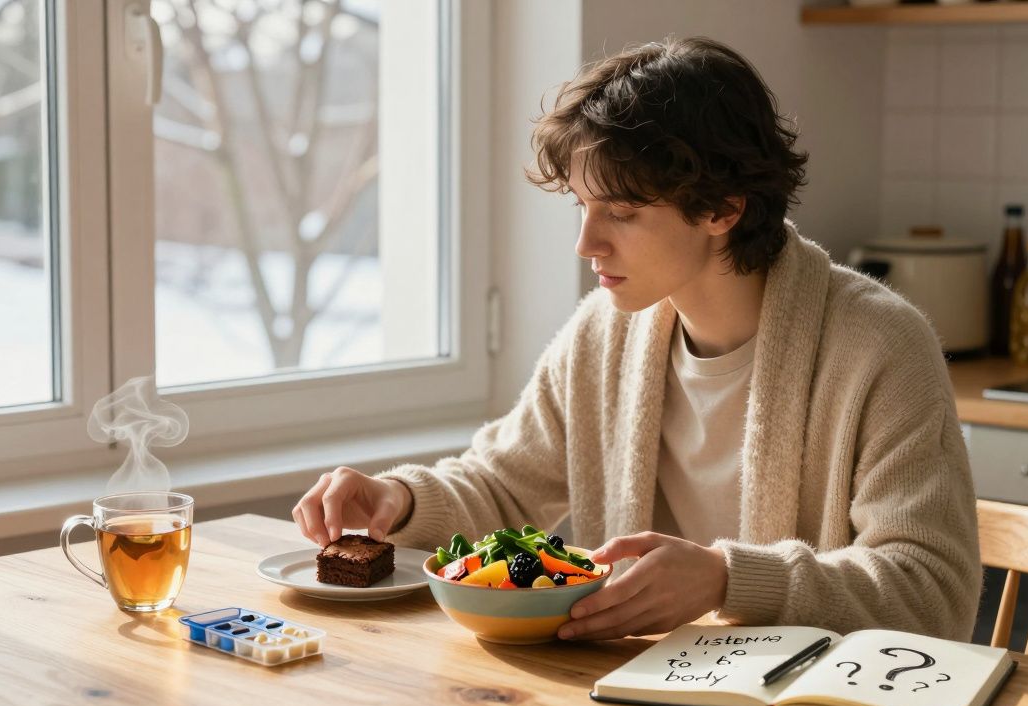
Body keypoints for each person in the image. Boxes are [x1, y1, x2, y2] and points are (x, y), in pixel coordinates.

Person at [293, 37, 980, 642]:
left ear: (722, 207)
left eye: (620, 212)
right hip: (632, 692)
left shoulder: (881, 346)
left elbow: (930, 592)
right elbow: (502, 484)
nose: (585, 243)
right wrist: (399, 499)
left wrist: (725, 580)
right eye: (582, 206)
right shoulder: (604, 332)